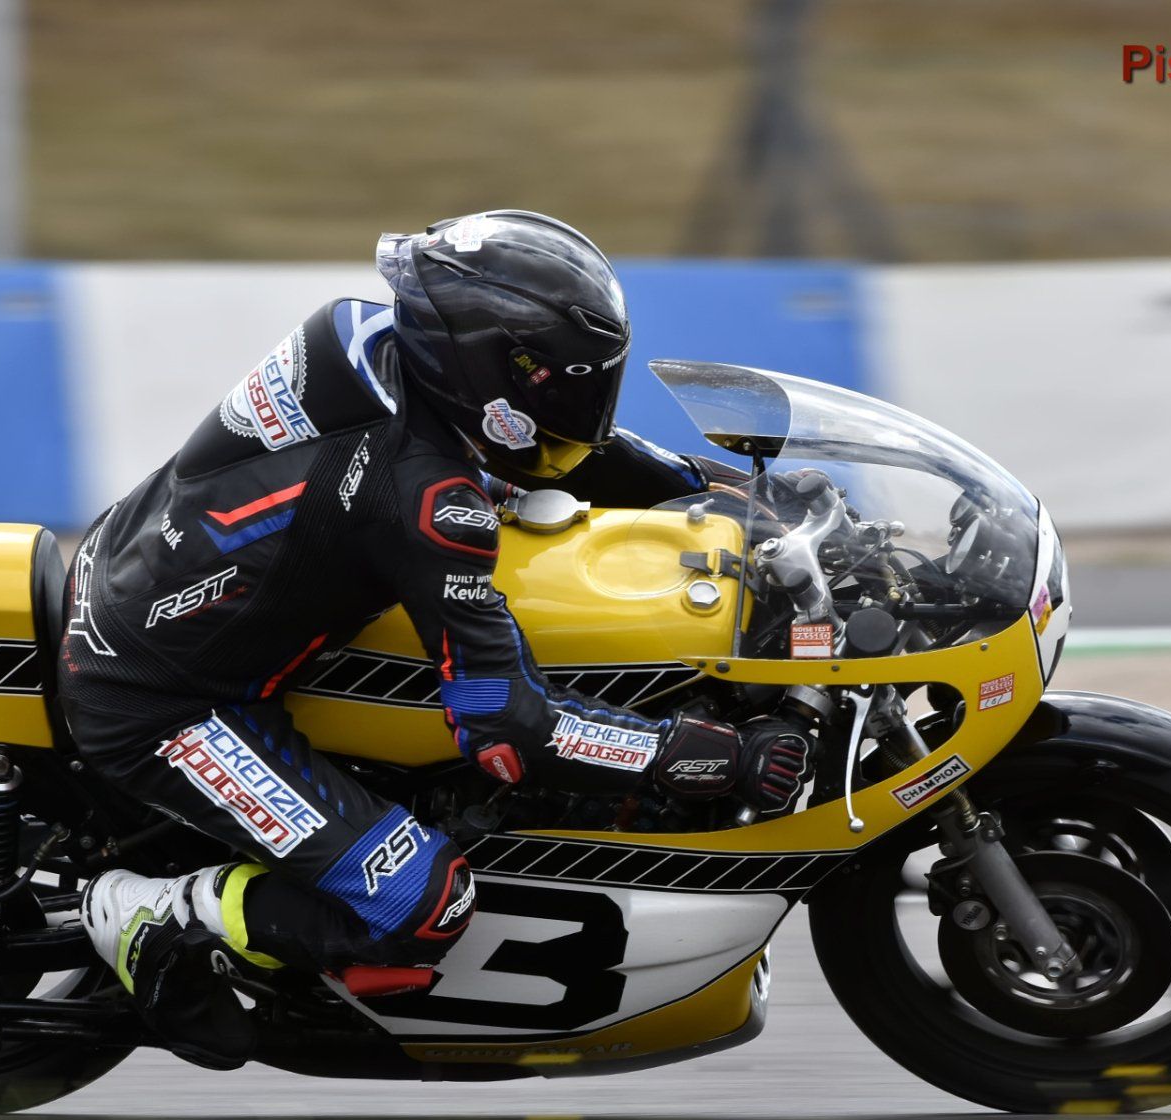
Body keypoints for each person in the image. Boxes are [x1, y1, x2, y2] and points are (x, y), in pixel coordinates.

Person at [62, 210, 812, 1069]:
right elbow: (508, 730)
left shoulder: (363, 334)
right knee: (422, 901)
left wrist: (715, 495)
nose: (577, 403)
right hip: (164, 700)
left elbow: (561, 451)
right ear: (487, 365)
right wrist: (691, 753)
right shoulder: (427, 501)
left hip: (135, 566)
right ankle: (160, 912)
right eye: (559, 383)